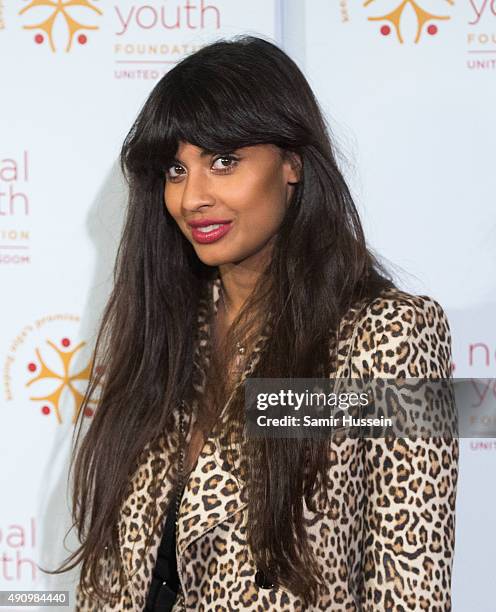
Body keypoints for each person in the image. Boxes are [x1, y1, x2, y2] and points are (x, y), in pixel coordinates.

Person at [53, 35, 459, 610]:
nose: (192, 196)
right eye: (176, 167)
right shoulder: (164, 334)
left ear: (292, 163)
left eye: (224, 160)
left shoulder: (388, 335)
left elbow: (410, 584)